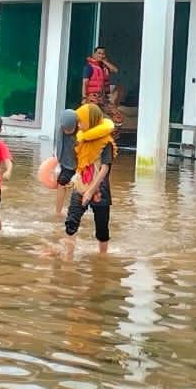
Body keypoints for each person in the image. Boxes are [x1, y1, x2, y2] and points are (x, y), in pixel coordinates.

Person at [63, 103, 115, 255]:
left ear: (90, 120)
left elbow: (105, 168)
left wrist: (91, 190)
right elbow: (79, 164)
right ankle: (67, 258)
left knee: (102, 228)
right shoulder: (82, 140)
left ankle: (102, 258)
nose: (78, 124)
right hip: (80, 187)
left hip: (100, 191)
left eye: (81, 121)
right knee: (71, 222)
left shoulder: (106, 143)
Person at [81, 46, 123, 125]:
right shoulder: (89, 67)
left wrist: (104, 61)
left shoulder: (104, 67)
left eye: (103, 54)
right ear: (94, 54)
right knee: (95, 117)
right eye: (99, 53)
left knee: (117, 116)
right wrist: (84, 97)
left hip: (103, 97)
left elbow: (115, 70)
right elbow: (84, 83)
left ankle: (112, 136)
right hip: (92, 96)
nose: (101, 55)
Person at [53, 110, 79, 222]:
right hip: (66, 163)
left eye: (69, 129)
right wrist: (57, 164)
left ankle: (78, 212)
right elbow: (58, 146)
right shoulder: (61, 130)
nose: (66, 131)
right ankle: (58, 211)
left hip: (80, 164)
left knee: (79, 188)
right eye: (65, 129)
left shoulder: (81, 132)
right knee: (61, 183)